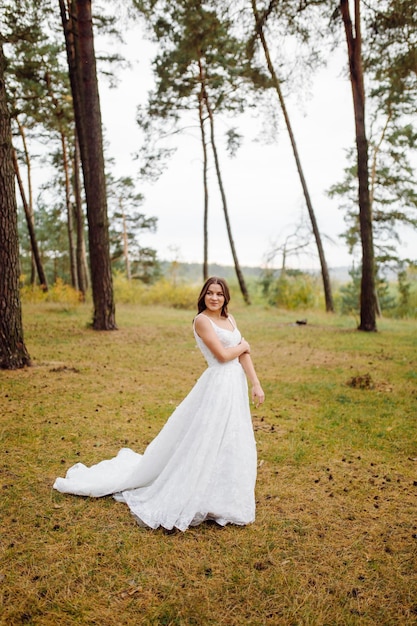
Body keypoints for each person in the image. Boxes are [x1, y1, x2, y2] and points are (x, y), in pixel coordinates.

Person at [53, 276, 265, 531]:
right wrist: (243, 344)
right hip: (217, 385)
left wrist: (255, 383)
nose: (215, 298)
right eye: (210, 293)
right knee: (206, 438)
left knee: (232, 439)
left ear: (226, 297)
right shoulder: (202, 321)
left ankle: (223, 498)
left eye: (219, 293)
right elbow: (222, 356)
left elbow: (244, 356)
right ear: (203, 295)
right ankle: (192, 491)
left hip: (235, 386)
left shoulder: (230, 319)